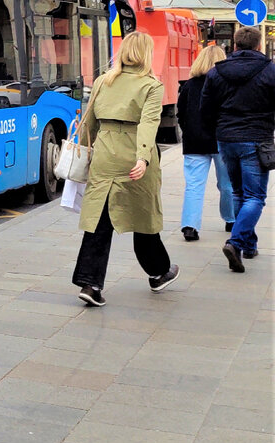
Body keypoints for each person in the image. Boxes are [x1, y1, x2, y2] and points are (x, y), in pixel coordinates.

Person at [72, 31, 178, 307]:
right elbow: (148, 123)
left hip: (105, 154)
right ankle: (158, 272)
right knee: (143, 217)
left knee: (99, 220)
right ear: (146, 54)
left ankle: (90, 283)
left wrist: (84, 154)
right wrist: (143, 158)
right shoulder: (151, 85)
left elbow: (89, 123)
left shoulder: (102, 81)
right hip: (133, 154)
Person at [201, 26, 275, 273]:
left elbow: (206, 108)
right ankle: (235, 242)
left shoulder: (216, 72)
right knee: (255, 197)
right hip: (256, 138)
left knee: (238, 193)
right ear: (258, 45)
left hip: (227, 139)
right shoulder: (270, 70)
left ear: (234, 45)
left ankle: (248, 245)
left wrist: (218, 129)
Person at [177, 44, 235, 241]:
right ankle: (231, 219)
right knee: (227, 184)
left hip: (194, 142)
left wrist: (189, 131)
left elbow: (181, 114)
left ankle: (190, 227)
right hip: (222, 141)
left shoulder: (189, 85)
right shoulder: (226, 84)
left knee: (194, 184)